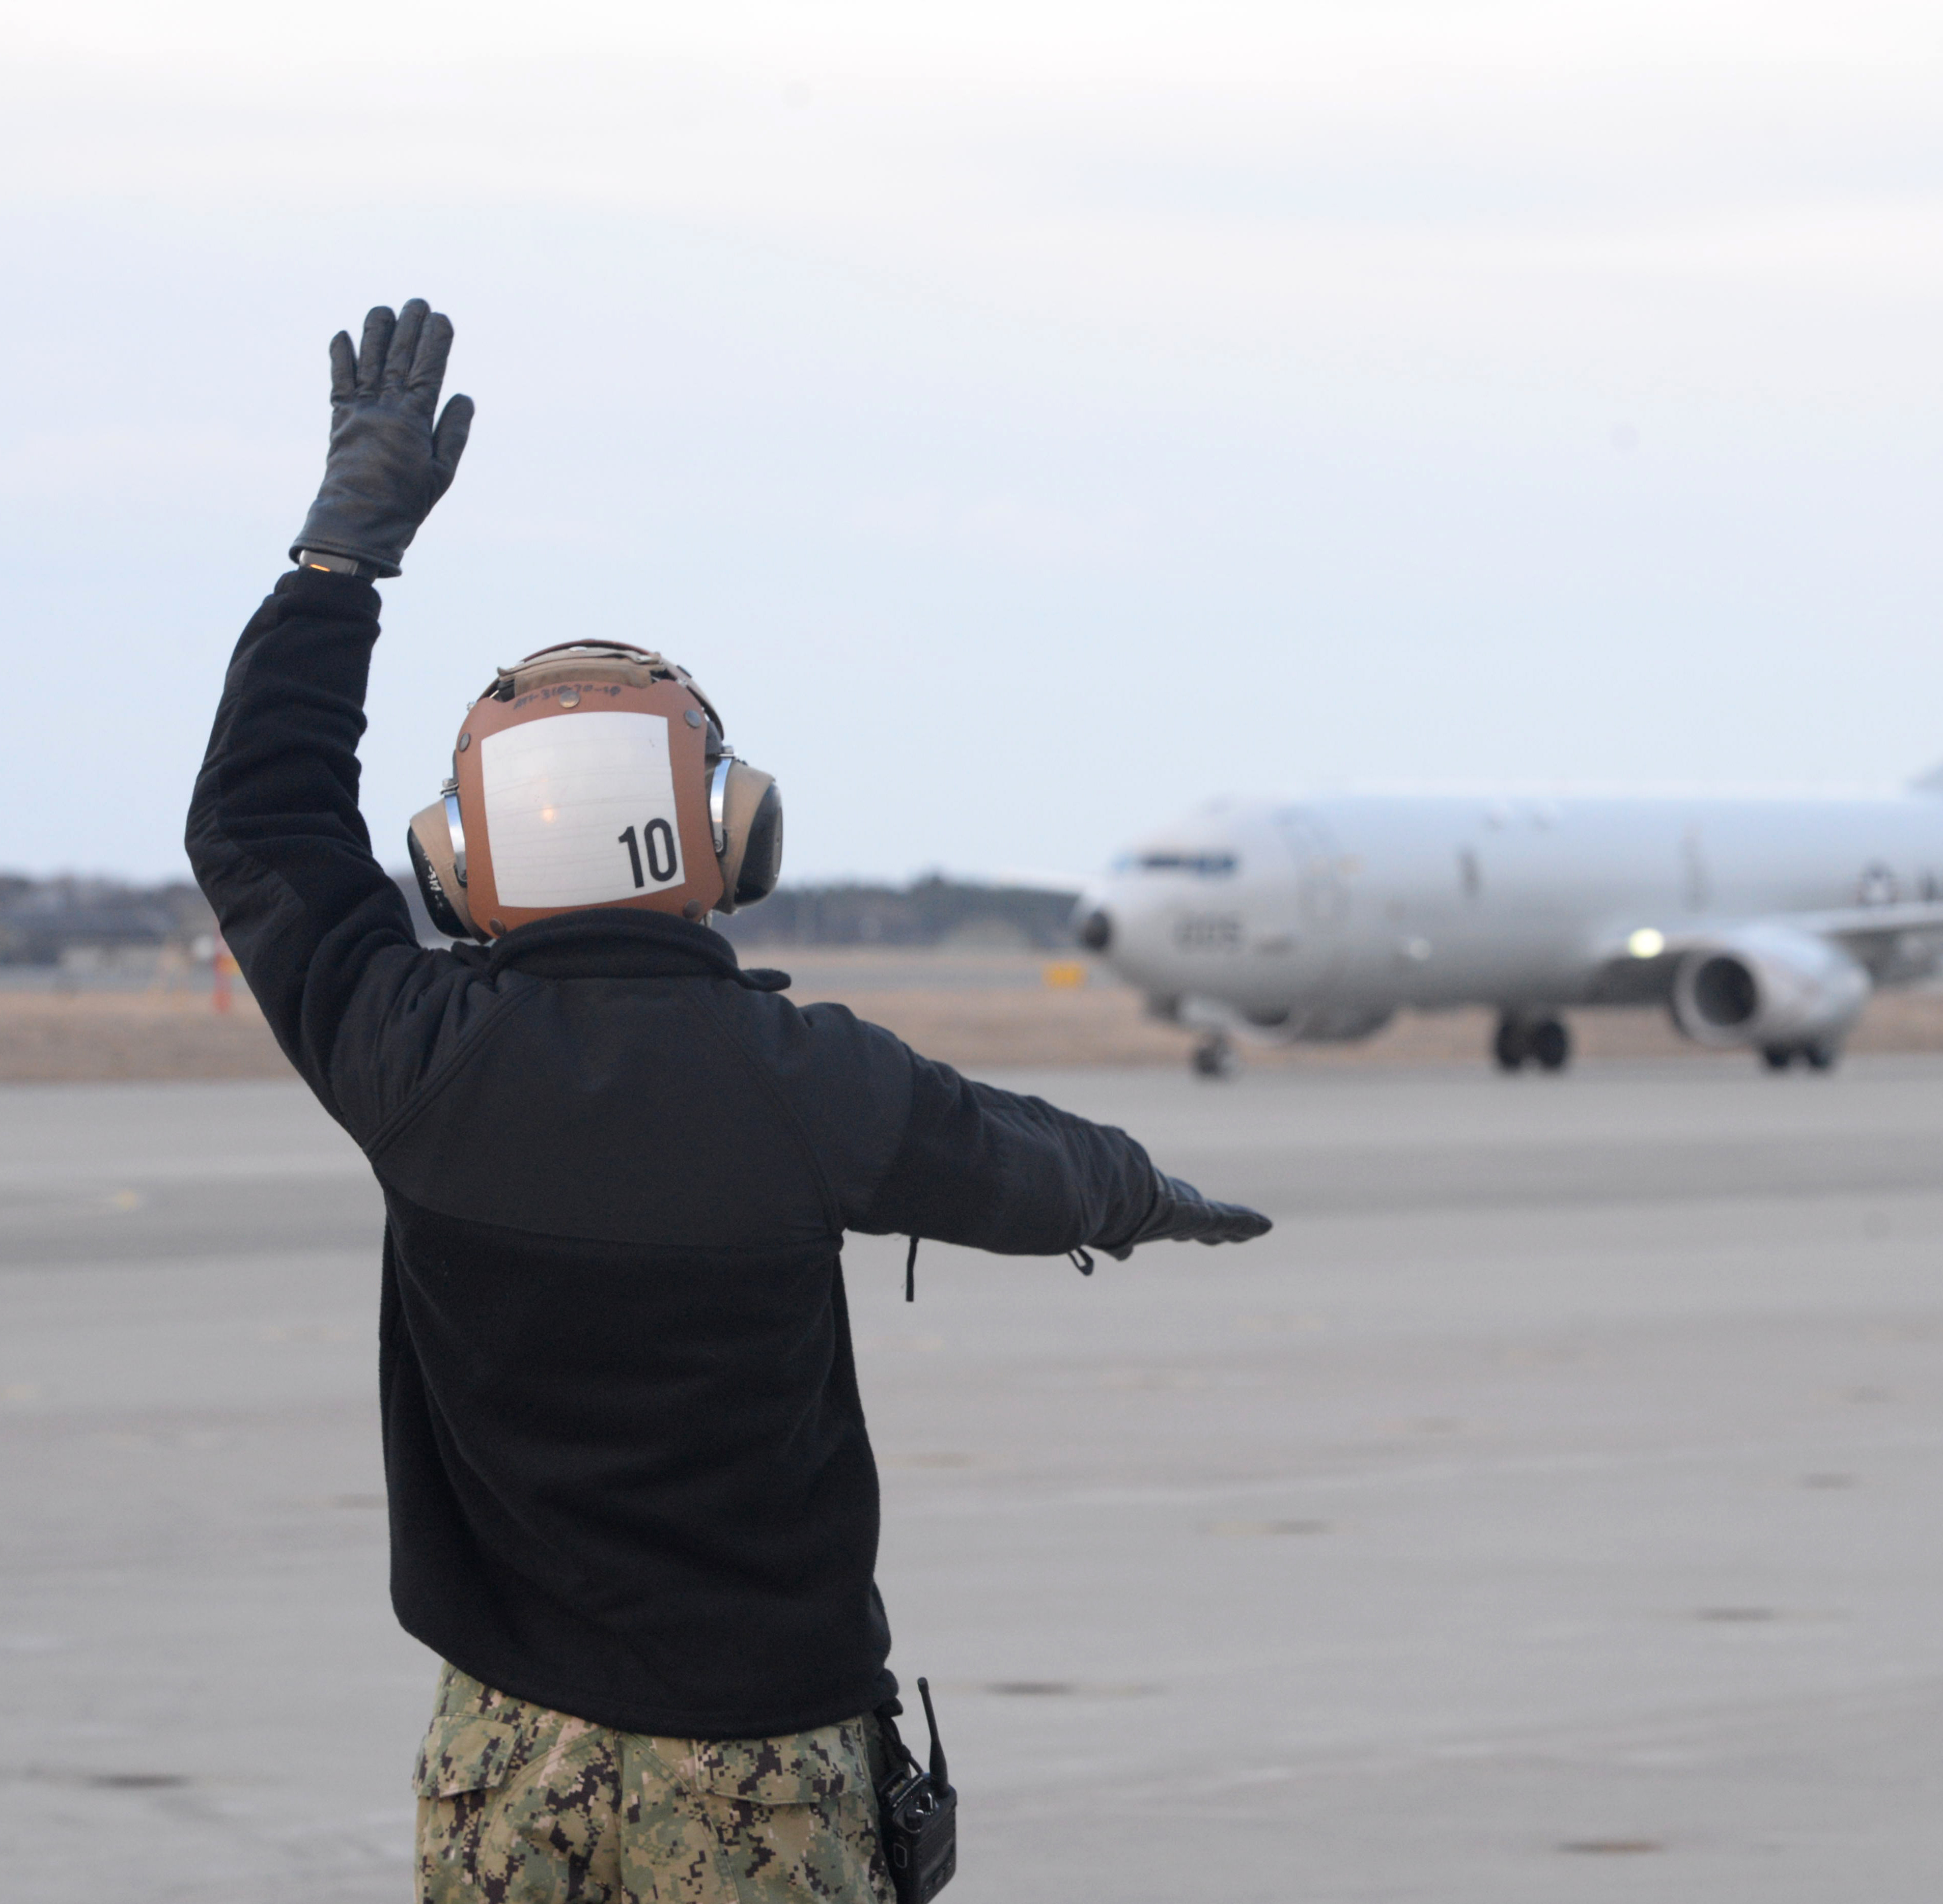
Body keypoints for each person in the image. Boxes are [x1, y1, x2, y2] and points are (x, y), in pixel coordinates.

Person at [186, 299, 1271, 1904]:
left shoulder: (410, 1054)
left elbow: (261, 820)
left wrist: (338, 563)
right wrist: (1148, 1193)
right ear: (733, 839)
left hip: (509, 1757)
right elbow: (1025, 1167)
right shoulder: (815, 1084)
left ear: (458, 862)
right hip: (760, 1768)